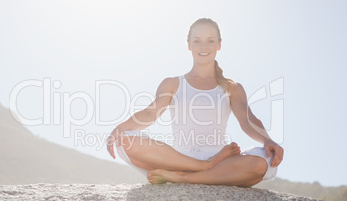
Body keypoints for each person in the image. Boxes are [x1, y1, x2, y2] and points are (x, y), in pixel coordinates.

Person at [106, 18, 284, 187]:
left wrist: (268, 140)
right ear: (189, 45)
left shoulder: (232, 88)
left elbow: (247, 120)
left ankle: (185, 178)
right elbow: (150, 113)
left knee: (263, 162)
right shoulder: (173, 83)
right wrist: (119, 129)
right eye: (197, 41)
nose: (203, 46)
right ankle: (202, 167)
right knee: (125, 141)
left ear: (219, 45)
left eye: (210, 41)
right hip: (178, 160)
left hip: (221, 161)